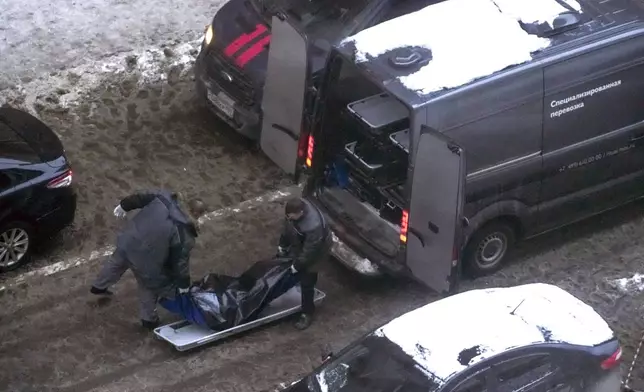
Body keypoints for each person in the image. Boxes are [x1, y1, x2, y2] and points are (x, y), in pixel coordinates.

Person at [90, 190, 208, 330]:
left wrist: (124, 205)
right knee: (149, 287)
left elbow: (140, 198)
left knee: (116, 262)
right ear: (197, 214)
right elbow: (179, 264)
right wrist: (183, 285)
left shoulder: (164, 198)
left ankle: (99, 286)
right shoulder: (185, 235)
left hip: (129, 239)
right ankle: (148, 320)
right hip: (146, 262)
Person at [278, 197, 332, 330]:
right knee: (285, 261)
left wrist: (297, 266)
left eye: (291, 216)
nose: (289, 218)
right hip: (302, 240)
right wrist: (282, 245)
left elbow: (310, 252)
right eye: (288, 216)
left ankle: (307, 313)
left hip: (317, 250)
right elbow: (288, 228)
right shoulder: (293, 212)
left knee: (307, 282)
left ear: (301, 213)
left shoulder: (314, 226)